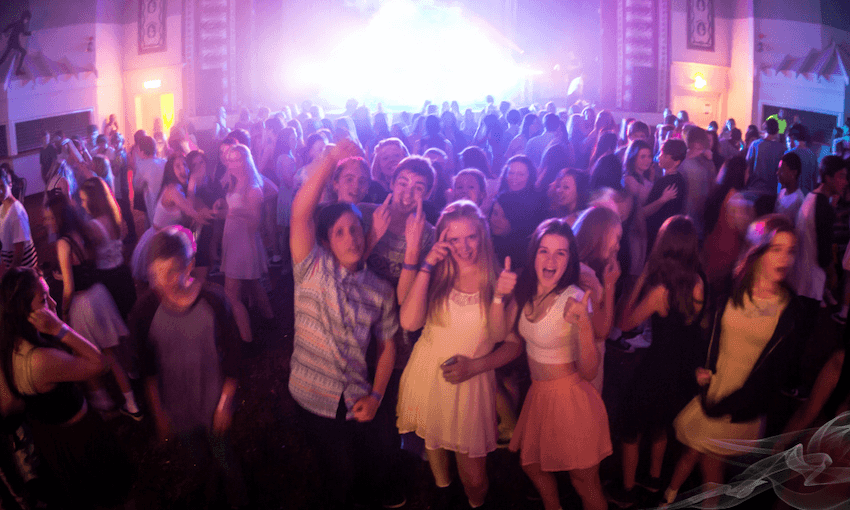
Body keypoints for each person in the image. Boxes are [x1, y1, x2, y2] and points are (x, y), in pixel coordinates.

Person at [288, 140, 402, 509]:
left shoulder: (380, 290)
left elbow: (387, 347)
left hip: (356, 395)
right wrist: (331, 158)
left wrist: (376, 396)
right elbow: (300, 214)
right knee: (336, 474)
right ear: (325, 241)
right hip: (311, 395)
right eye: (339, 232)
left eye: (355, 229)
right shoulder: (311, 268)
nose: (351, 237)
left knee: (364, 465)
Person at [664, 214, 803, 506]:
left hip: (741, 403)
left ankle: (671, 498)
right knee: (700, 459)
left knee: (710, 469)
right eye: (776, 249)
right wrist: (699, 366)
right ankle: (670, 496)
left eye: (790, 251)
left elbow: (776, 374)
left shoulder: (790, 310)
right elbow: (705, 335)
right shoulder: (729, 287)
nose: (785, 258)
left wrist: (741, 404)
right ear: (757, 250)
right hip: (713, 387)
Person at [397, 200, 519, 509]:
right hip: (428, 373)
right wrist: (427, 265)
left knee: (474, 479)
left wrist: (476, 366)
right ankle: (443, 491)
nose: (464, 247)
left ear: (482, 235)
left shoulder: (500, 278)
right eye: (454, 239)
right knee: (433, 438)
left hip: (470, 384)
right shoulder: (436, 273)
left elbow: (508, 342)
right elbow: (409, 322)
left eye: (471, 237)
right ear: (442, 239)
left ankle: (475, 503)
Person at [0, 268, 133, 507]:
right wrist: (59, 328)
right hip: (79, 440)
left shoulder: (11, 344)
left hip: (53, 440)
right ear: (24, 311)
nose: (53, 303)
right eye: (44, 299)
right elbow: (100, 363)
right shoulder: (40, 360)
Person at [508, 218, 610, 510]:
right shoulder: (527, 289)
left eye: (560, 253)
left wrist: (584, 324)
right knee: (532, 465)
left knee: (584, 482)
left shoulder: (574, 298)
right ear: (534, 253)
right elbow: (504, 336)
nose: (551, 260)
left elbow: (589, 371)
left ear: (569, 259)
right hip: (539, 394)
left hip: (569, 398)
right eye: (544, 250)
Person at [607, 216, 706, 508]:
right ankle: (653, 480)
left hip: (655, 368)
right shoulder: (698, 282)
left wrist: (640, 279)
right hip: (681, 371)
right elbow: (694, 327)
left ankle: (627, 491)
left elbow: (624, 323)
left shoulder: (662, 290)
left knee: (631, 428)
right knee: (660, 425)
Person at [44, 193, 141, 418]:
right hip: (100, 295)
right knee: (111, 352)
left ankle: (105, 402)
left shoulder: (63, 242)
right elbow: (84, 268)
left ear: (59, 217)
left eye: (49, 217)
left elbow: (69, 288)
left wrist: (64, 313)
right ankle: (132, 403)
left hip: (83, 303)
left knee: (86, 354)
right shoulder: (81, 233)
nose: (47, 222)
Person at [220, 144, 274, 334]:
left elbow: (255, 223)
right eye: (230, 160)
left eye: (237, 160)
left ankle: (246, 339)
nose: (233, 164)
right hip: (234, 241)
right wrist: (224, 206)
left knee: (231, 293)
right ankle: (270, 320)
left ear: (246, 161)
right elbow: (232, 208)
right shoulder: (235, 182)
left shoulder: (252, 187)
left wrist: (237, 212)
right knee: (253, 284)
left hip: (243, 245)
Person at [572, 206, 622, 390]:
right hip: (584, 369)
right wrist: (610, 285)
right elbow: (601, 332)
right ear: (600, 233)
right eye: (617, 238)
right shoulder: (586, 276)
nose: (618, 246)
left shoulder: (578, 267)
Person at [644, 139, 687, 251]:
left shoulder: (664, 182)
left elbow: (646, 212)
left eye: (665, 155)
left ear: (677, 161)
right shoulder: (680, 179)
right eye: (661, 153)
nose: (659, 157)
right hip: (670, 233)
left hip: (656, 232)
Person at [678, 127, 716, 238]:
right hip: (695, 218)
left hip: (687, 218)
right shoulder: (693, 164)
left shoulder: (682, 161)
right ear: (697, 143)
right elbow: (713, 186)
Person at [0, 168, 37, 279]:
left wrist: (8, 276)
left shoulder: (16, 211)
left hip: (24, 273)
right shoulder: (2, 208)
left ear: (10, 184)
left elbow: (19, 250)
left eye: (2, 186)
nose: (0, 191)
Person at [746, 118, 785, 198]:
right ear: (777, 131)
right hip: (771, 192)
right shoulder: (781, 148)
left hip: (754, 189)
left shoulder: (755, 144)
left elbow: (747, 167)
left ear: (764, 129)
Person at [367, 138, 409, 204]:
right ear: (378, 164)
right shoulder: (370, 189)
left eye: (396, 155)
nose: (392, 160)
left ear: (406, 158)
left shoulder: (416, 186)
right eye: (385, 158)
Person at [786, 123, 818, 195]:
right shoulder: (813, 155)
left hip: (791, 197)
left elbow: (783, 179)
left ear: (792, 137)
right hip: (806, 197)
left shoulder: (788, 154)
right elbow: (815, 180)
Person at [774, 152, 804, 222]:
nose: (777, 173)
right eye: (778, 169)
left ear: (794, 173)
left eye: (782, 170)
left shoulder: (798, 200)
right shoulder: (781, 193)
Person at [0, 10, 31, 76]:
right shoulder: (22, 24)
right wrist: (31, 33)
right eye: (27, 19)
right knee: (23, 52)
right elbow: (24, 33)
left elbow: (9, 26)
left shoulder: (18, 22)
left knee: (5, 55)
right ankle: (17, 71)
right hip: (15, 42)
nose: (27, 21)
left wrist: (4, 31)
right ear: (25, 18)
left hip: (11, 41)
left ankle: (17, 71)